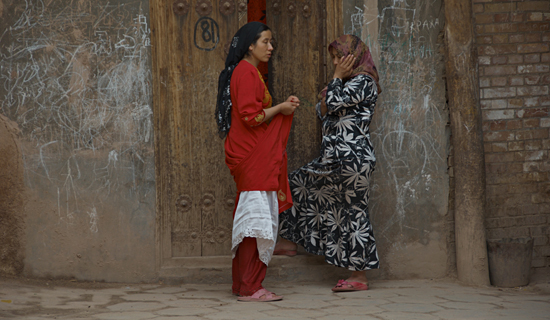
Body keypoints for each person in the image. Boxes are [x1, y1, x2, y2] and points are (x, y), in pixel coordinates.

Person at [274, 34, 382, 292]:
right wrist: (333, 89)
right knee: (298, 184)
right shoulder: (345, 83)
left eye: (339, 57)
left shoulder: (365, 81)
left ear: (353, 57)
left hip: (353, 158)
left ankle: (359, 277)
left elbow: (331, 102)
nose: (336, 62)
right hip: (333, 159)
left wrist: (334, 79)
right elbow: (321, 111)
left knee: (353, 213)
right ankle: (290, 241)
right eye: (333, 58)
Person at [216, 22, 300, 302]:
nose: (271, 47)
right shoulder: (247, 72)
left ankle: (243, 285)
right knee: (255, 222)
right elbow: (252, 118)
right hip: (252, 155)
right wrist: (280, 109)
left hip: (250, 153)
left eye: (271, 41)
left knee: (251, 222)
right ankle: (251, 288)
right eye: (265, 41)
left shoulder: (245, 72)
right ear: (250, 45)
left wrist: (279, 108)